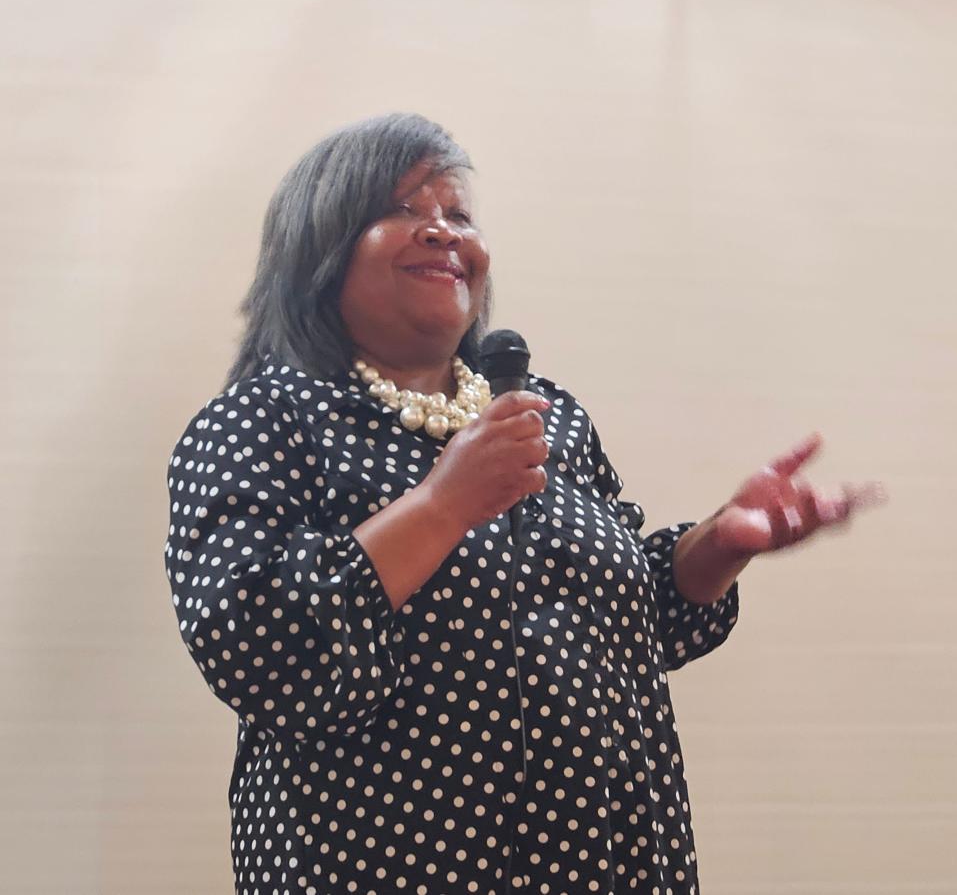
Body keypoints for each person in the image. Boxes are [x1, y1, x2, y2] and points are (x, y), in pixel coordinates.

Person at [163, 113, 884, 895]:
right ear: (321, 248)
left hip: (608, 859)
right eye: (403, 209)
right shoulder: (262, 419)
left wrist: (718, 544)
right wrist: (442, 506)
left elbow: (628, 626)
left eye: (458, 214)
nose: (443, 233)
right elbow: (257, 645)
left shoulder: (548, 416)